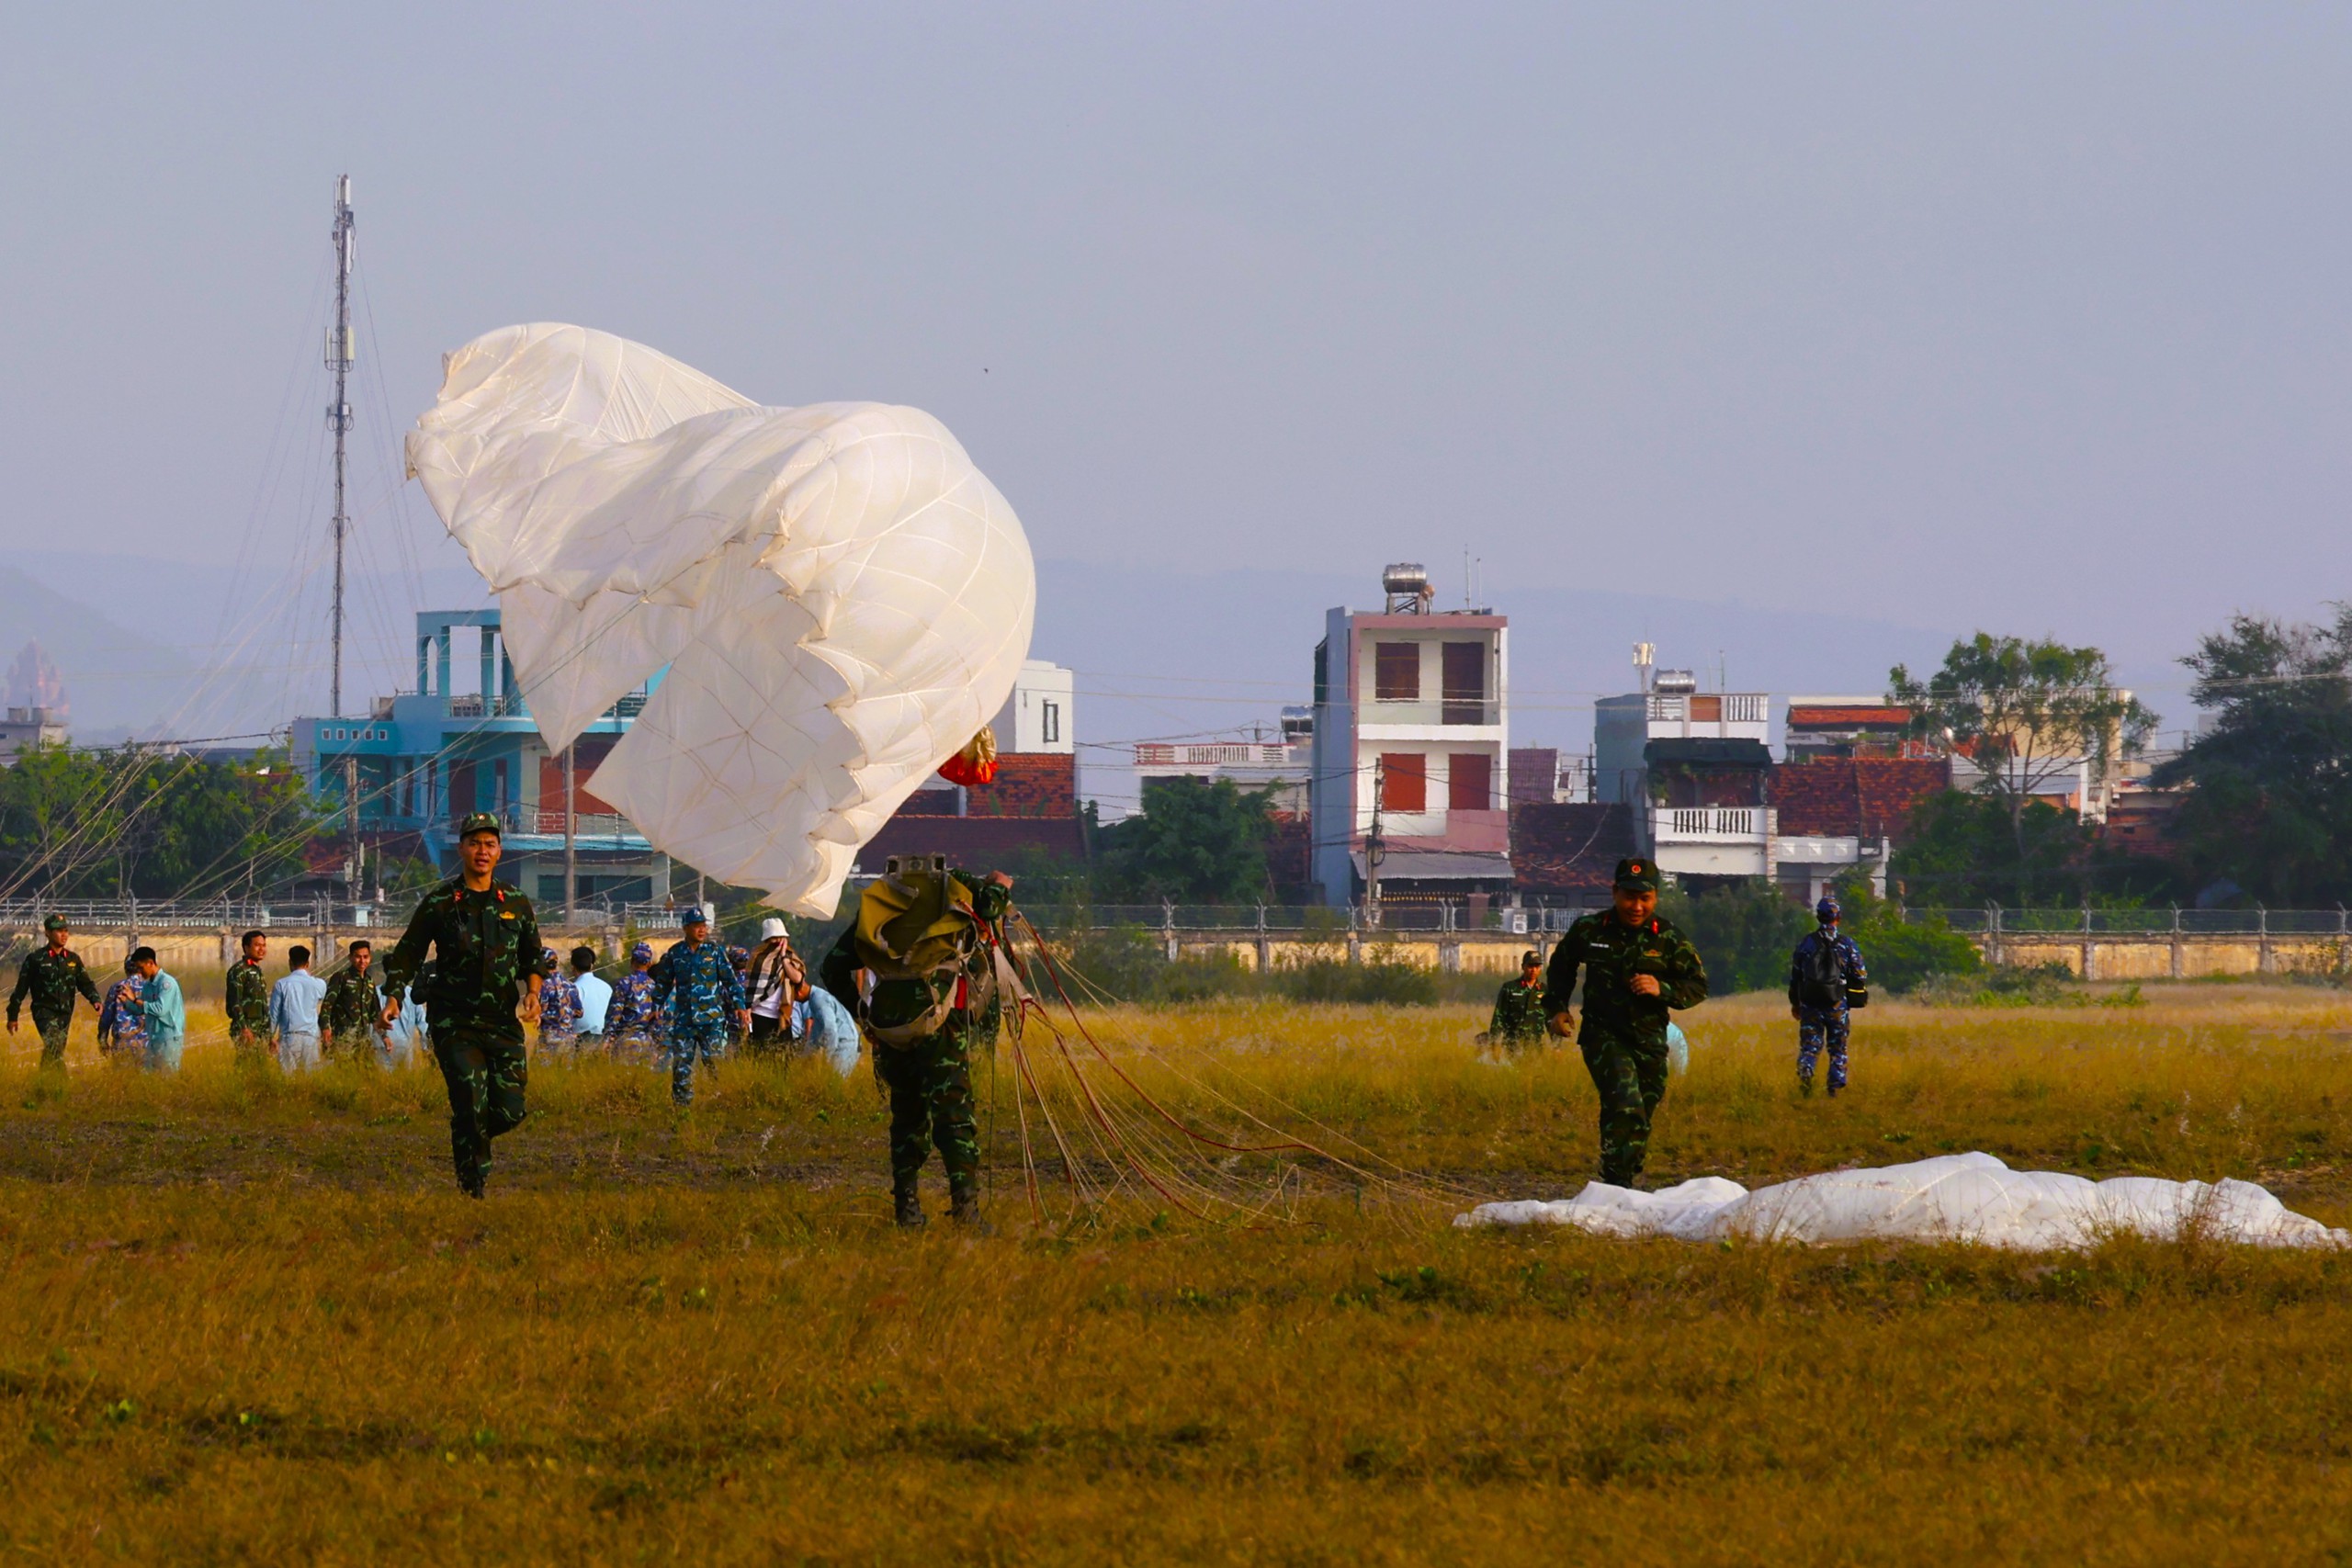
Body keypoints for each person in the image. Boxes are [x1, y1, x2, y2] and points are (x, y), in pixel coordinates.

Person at [820, 859, 1013, 1229]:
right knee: (954, 1118)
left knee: (907, 1119)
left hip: (892, 1030)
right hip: (940, 1029)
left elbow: (832, 967)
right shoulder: (952, 898)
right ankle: (966, 1212)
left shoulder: (881, 911)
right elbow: (988, 908)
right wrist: (1000, 884)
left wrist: (864, 1016)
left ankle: (906, 1210)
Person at [378, 811, 546, 1198]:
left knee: (510, 1109)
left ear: (500, 851)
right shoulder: (441, 901)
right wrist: (392, 997)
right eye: (474, 843)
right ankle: (473, 1183)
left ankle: (467, 1132)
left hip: (502, 1021)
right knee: (471, 1098)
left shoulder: (516, 903)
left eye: (489, 844)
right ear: (462, 849)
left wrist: (533, 992)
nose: (481, 851)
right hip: (454, 1020)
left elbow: (533, 956)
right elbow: (408, 953)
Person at [1544, 857, 1708, 1190]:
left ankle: (1620, 1168)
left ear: (1655, 898)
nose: (1636, 906)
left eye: (1644, 898)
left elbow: (1698, 985)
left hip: (1649, 1039)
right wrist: (1557, 1009)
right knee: (1624, 1101)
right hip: (1603, 1033)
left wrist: (1661, 988)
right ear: (1615, 892)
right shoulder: (1590, 930)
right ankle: (1616, 1185)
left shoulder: (1669, 938)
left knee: (1640, 1112)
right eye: (1629, 896)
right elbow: (1561, 967)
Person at [649, 908, 749, 1106]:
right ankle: (682, 1106)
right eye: (697, 926)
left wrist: (739, 1005)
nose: (702, 930)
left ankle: (721, 1101)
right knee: (681, 1065)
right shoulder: (676, 953)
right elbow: (664, 981)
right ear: (686, 928)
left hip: (710, 1019)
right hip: (685, 1019)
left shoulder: (715, 952)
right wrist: (656, 1004)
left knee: (714, 1062)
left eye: (704, 926)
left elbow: (730, 981)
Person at [1789, 896, 1869, 1098]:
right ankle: (1834, 1086)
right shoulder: (1847, 944)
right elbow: (1860, 974)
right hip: (1837, 1005)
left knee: (1810, 1045)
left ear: (1818, 917)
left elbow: (1796, 975)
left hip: (1810, 1004)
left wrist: (1795, 1002)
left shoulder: (1807, 943)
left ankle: (1806, 1072)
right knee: (1838, 1047)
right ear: (1838, 918)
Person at [8, 914, 100, 1070]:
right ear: (48, 933)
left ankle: (45, 1082)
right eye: (58, 931)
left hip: (65, 1013)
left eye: (65, 930)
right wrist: (13, 1016)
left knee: (55, 1051)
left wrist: (95, 1000)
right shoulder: (36, 959)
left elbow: (85, 983)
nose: (64, 935)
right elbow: (21, 988)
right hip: (44, 1011)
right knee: (54, 1044)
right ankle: (62, 1081)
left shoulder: (73, 959)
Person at [322, 940, 387, 1066]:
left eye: (365, 957)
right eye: (358, 957)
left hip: (364, 1040)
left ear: (370, 958)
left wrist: (384, 1036)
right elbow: (327, 1005)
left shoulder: (369, 982)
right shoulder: (341, 977)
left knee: (366, 1076)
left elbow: (375, 1014)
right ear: (350, 958)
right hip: (344, 1038)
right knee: (344, 1073)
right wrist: (325, 1028)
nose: (362, 961)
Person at [269, 945, 327, 1072]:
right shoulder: (319, 984)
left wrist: (270, 1037)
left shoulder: (282, 984)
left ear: (290, 962)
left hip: (289, 1037)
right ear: (308, 964)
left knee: (288, 1079)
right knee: (310, 1079)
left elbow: (274, 1015)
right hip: (311, 1038)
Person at [744, 918, 797, 1053]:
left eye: (781, 937)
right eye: (774, 938)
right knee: (761, 1057)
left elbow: (796, 978)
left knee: (785, 1058)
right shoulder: (758, 957)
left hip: (782, 1016)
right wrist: (747, 1011)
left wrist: (784, 958)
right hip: (760, 1014)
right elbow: (750, 989)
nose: (778, 942)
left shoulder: (790, 957)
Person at [605, 941, 662, 1064]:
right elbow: (659, 1017)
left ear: (632, 962)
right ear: (650, 964)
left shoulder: (624, 984)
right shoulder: (656, 987)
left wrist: (608, 1038)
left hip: (625, 1039)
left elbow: (615, 1014)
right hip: (647, 1041)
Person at [1487, 950, 1549, 1052]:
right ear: (1523, 967)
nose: (1533, 970)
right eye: (1530, 966)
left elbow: (1550, 1019)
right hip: (1512, 1044)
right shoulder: (1510, 988)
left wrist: (1557, 1046)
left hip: (1535, 1045)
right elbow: (1499, 1015)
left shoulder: (1544, 990)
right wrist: (1494, 1041)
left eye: (1537, 967)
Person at [225, 931, 272, 1061]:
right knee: (246, 1065)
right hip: (247, 1029)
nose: (261, 949)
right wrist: (244, 1029)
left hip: (261, 1030)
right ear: (246, 947)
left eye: (264, 945)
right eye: (257, 945)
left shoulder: (257, 971)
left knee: (261, 1068)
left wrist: (269, 1036)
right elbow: (235, 1003)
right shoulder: (239, 971)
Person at [137, 949, 185, 1072]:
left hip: (169, 1038)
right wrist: (126, 1000)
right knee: (149, 1076)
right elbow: (142, 1008)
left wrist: (135, 1001)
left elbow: (160, 1009)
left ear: (151, 963)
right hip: (153, 1037)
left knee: (167, 1076)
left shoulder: (166, 983)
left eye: (141, 968)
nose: (140, 972)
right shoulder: (147, 986)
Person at [97, 956, 151, 1066]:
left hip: (122, 1044)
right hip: (147, 1044)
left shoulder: (117, 988)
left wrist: (102, 1041)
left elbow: (106, 1018)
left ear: (126, 969)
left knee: (122, 1080)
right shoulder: (151, 987)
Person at [537, 946, 582, 1056]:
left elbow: (540, 1011)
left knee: (547, 1072)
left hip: (549, 1038)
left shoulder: (543, 985)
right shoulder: (570, 985)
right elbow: (579, 1012)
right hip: (568, 1038)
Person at [570, 947, 611, 1051]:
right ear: (592, 965)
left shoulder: (574, 989)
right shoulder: (607, 987)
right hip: (604, 1041)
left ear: (573, 967)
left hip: (580, 1041)